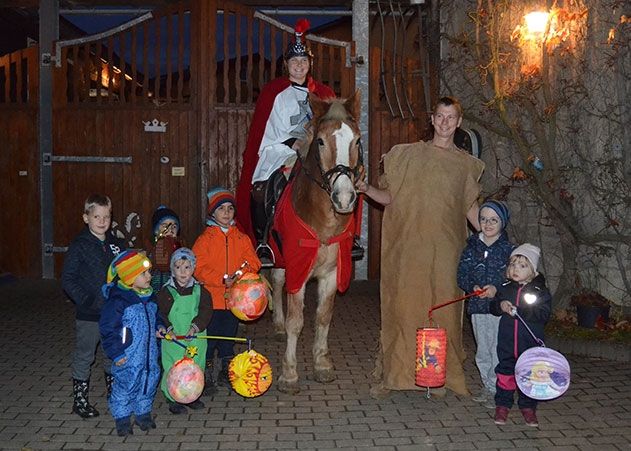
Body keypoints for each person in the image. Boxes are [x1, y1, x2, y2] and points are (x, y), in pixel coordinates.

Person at [357, 96, 485, 398]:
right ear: (432, 119)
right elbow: (390, 198)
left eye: (450, 117)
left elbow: (471, 210)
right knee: (403, 310)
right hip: (407, 251)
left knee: (444, 312)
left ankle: (442, 376)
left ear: (459, 122)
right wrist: (366, 189)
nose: (444, 122)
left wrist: (497, 235)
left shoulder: (465, 166)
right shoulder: (407, 156)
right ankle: (398, 375)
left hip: (446, 254)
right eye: (440, 116)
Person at [234, 18, 336, 266]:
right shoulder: (273, 92)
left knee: (339, 178)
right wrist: (292, 142)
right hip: (281, 149)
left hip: (318, 152)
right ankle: (263, 242)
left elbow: (334, 128)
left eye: (303, 61)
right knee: (263, 185)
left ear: (310, 64)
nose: (299, 66)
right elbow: (266, 130)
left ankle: (343, 236)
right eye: (294, 61)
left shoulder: (323, 93)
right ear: (286, 64)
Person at [62, 194, 125, 419]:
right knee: (85, 355)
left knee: (112, 352)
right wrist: (86, 300)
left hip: (113, 313)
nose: (101, 221)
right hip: (89, 314)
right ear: (86, 218)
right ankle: (80, 401)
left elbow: (126, 273)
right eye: (96, 216)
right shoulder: (80, 245)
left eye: (106, 216)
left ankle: (114, 394)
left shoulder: (117, 245)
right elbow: (68, 279)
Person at [192, 187, 261, 389]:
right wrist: (221, 279)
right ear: (212, 212)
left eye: (230, 208)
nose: (226, 213)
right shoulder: (205, 239)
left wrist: (238, 275)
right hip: (211, 300)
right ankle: (206, 373)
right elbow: (197, 267)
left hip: (234, 301)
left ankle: (225, 370)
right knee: (210, 337)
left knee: (228, 337)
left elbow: (254, 262)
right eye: (221, 208)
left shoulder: (241, 238)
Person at [99, 250, 165, 436]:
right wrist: (117, 352)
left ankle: (143, 412)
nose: (149, 276)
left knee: (148, 380)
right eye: (144, 273)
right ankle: (122, 417)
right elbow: (108, 328)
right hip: (128, 354)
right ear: (129, 277)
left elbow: (157, 316)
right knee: (126, 384)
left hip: (149, 354)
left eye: (149, 272)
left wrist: (160, 327)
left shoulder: (150, 296)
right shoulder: (119, 300)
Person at [457, 200, 515, 408]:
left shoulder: (509, 250)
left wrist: (497, 288)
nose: (488, 224)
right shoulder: (471, 247)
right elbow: (461, 275)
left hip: (499, 308)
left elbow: (515, 277)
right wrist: (472, 286)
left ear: (502, 222)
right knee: (483, 349)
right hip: (478, 308)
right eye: (483, 219)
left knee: (497, 348)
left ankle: (499, 387)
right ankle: (487, 385)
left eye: (493, 220)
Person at [489, 243, 551, 427]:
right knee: (505, 373)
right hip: (507, 342)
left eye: (522, 266)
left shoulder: (540, 291)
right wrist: (500, 306)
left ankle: (528, 407)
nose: (516, 269)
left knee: (529, 375)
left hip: (529, 344)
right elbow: (493, 307)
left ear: (532, 270)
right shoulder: (506, 287)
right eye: (513, 264)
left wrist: (521, 310)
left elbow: (543, 315)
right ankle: (502, 405)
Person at [157, 247, 212, 414]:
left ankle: (192, 395)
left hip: (195, 337)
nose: (183, 272)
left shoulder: (201, 291)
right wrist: (168, 328)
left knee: (195, 366)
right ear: (172, 269)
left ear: (193, 268)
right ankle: (172, 396)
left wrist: (196, 326)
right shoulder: (166, 292)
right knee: (174, 367)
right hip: (174, 339)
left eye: (187, 267)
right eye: (178, 267)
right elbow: (160, 313)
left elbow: (206, 310)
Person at [148, 205, 182, 292]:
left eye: (174, 226)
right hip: (153, 288)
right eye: (165, 226)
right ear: (156, 230)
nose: (170, 229)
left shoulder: (179, 248)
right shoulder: (150, 246)